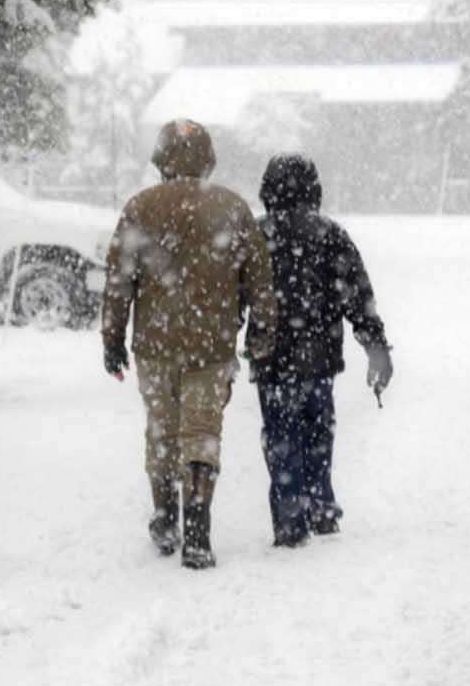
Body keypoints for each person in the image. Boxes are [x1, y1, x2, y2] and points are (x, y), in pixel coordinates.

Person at [102, 120, 277, 570]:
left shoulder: (140, 207)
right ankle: (198, 532)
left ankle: (164, 519)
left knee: (161, 430)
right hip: (212, 344)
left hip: (155, 344)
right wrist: (261, 330)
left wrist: (112, 337)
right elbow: (260, 278)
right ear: (208, 159)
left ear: (160, 159)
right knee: (202, 433)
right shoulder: (231, 208)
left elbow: (119, 280)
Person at [252, 154, 392, 548]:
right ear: (313, 189)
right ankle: (321, 506)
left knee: (280, 435)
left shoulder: (256, 236)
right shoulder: (330, 235)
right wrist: (376, 346)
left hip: (271, 358)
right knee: (318, 432)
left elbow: (234, 298)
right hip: (318, 356)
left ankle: (290, 516)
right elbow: (358, 296)